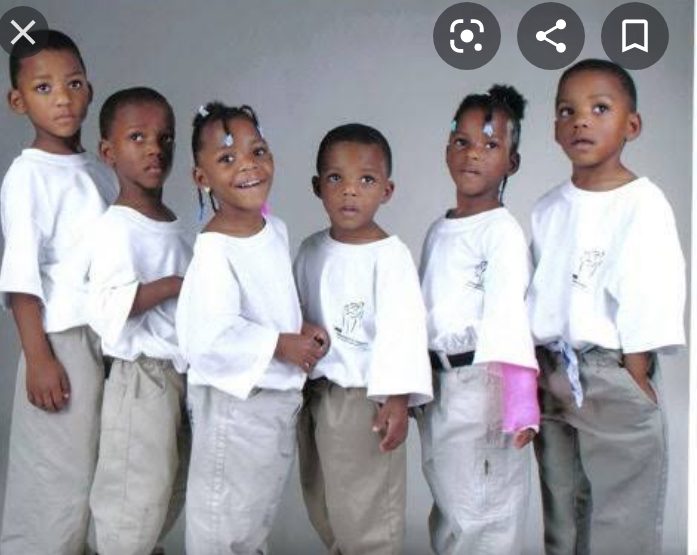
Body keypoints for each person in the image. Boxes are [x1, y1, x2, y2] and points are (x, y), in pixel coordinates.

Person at [528, 58, 686, 555]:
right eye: (567, 111)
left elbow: (652, 286)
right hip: (553, 370)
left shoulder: (642, 202)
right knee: (563, 505)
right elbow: (538, 290)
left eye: (600, 109)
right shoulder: (548, 208)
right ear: (555, 128)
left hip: (611, 369)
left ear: (631, 125)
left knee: (623, 510)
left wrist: (635, 368)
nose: (581, 121)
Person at [175, 102, 329, 555]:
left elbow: (271, 300)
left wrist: (300, 325)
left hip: (273, 405)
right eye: (227, 158)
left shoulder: (272, 229)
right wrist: (281, 344)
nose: (247, 165)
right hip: (236, 408)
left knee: (252, 517)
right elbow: (208, 337)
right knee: (222, 522)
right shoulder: (215, 249)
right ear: (202, 177)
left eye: (257, 151)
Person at [0, 29, 117, 555]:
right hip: (60, 342)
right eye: (43, 88)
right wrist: (39, 358)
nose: (62, 98)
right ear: (18, 101)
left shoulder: (100, 171)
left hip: (106, 337)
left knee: (99, 467)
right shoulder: (28, 176)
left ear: (90, 89)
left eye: (73, 83)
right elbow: (21, 276)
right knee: (56, 476)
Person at [293, 123, 433, 555]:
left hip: (365, 399)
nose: (350, 191)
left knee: (368, 510)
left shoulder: (389, 256)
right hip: (317, 393)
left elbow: (403, 329)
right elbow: (295, 311)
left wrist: (397, 398)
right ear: (317, 186)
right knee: (326, 501)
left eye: (366, 180)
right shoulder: (311, 250)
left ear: (387, 190)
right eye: (336, 178)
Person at [418, 85, 540, 555]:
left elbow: (510, 316)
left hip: (484, 388)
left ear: (512, 161)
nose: (474, 154)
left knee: (484, 513)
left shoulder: (501, 232)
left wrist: (521, 402)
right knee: (453, 505)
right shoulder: (440, 229)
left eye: (491, 145)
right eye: (463, 141)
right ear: (447, 149)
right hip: (442, 386)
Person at [87, 87, 191, 555]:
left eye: (165, 138)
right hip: (140, 378)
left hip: (176, 374)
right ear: (108, 152)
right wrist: (171, 285)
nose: (154, 148)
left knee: (168, 486)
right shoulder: (117, 226)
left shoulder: (171, 222)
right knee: (134, 494)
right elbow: (105, 306)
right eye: (137, 137)